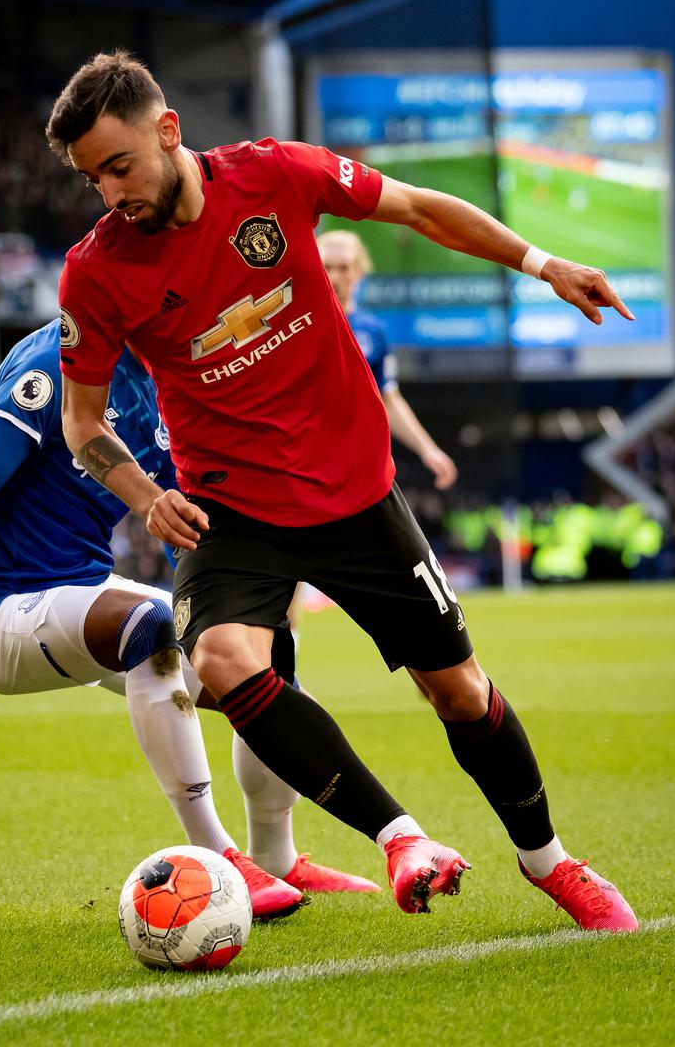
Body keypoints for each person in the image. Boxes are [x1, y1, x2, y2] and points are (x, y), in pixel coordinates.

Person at [45, 50, 637, 931]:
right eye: (92, 177)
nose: (108, 192)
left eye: (118, 166)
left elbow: (420, 209)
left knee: (461, 693)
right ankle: (401, 839)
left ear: (168, 132)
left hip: (356, 495)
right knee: (222, 659)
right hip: (231, 511)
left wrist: (540, 262)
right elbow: (82, 421)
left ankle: (552, 864)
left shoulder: (276, 174)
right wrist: (141, 492)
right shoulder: (96, 273)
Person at [0, 318, 381, 919]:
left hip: (85, 594)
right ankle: (219, 858)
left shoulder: (163, 378)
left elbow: (180, 518)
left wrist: (227, 607)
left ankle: (275, 859)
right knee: (148, 624)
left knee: (262, 658)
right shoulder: (51, 365)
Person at [317, 228, 457, 490]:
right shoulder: (295, 327)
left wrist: (428, 450)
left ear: (358, 272)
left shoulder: (373, 332)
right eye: (326, 266)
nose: (334, 277)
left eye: (343, 267)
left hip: (356, 466)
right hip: (304, 465)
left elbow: (388, 397)